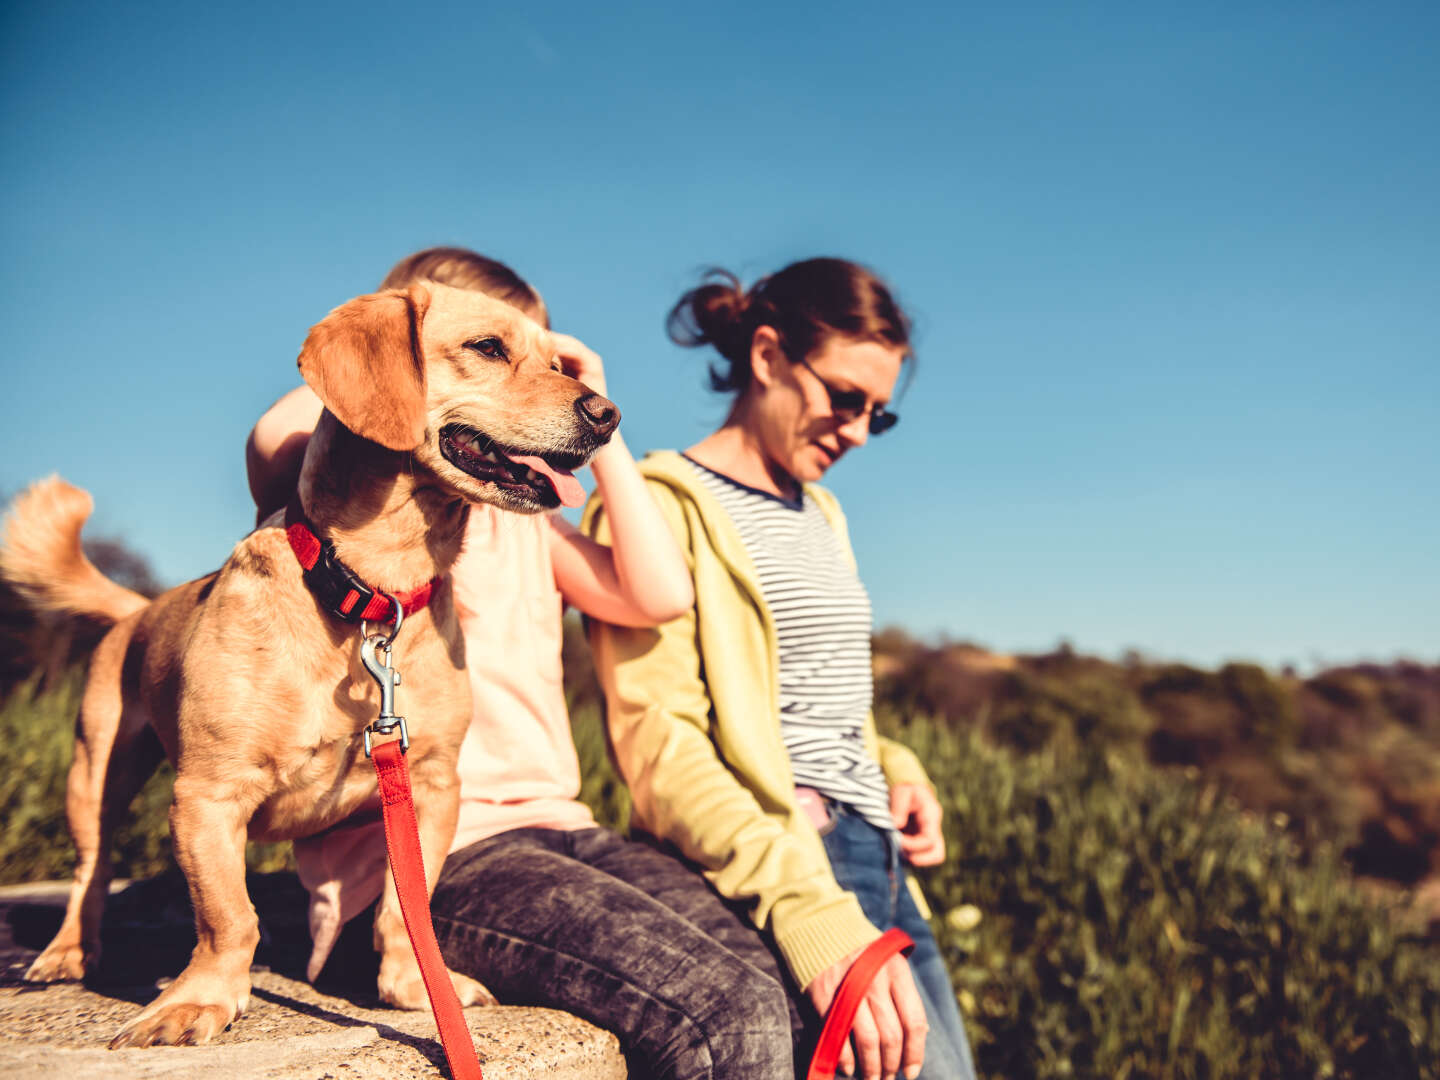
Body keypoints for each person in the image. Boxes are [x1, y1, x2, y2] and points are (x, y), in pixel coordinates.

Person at [247, 246, 802, 1080]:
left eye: (542, 356)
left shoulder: (521, 518)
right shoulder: (341, 506)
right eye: (494, 351)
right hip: (437, 857)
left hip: (560, 828)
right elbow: (280, 428)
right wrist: (409, 324)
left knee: (777, 986)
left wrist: (595, 410)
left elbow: (656, 595)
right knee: (732, 1016)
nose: (533, 376)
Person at [582, 258, 979, 1080]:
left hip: (886, 866)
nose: (860, 431)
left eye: (880, 414)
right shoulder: (657, 503)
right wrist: (807, 910)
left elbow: (826, 697)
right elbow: (661, 748)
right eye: (844, 398)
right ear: (767, 357)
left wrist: (897, 769)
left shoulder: (823, 511)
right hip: (790, 867)